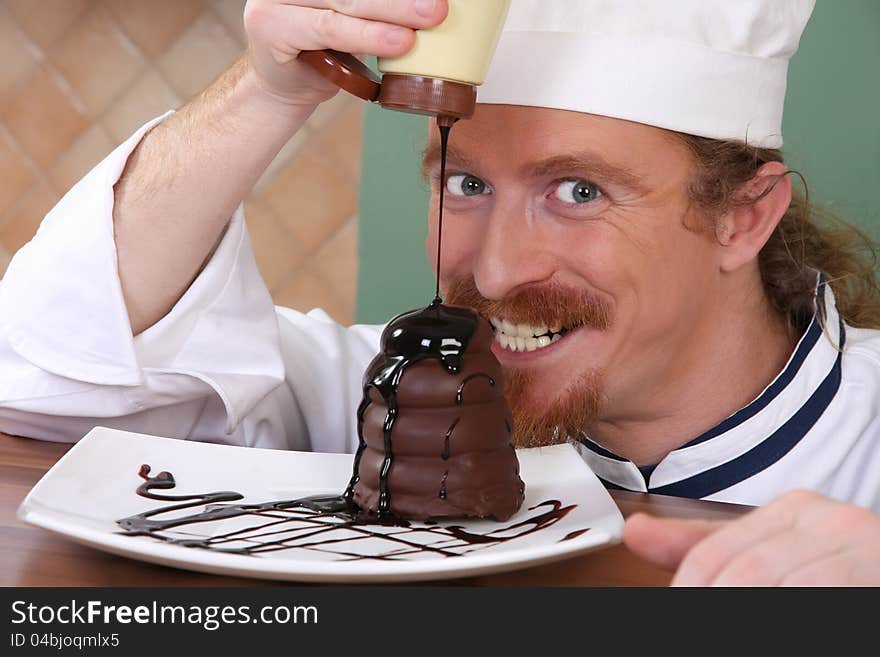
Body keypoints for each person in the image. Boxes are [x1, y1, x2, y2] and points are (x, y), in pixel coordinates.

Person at [0, 0, 878, 585]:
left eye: (579, 191)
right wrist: (267, 89)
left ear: (741, 218)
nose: (493, 276)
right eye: (466, 186)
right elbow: (52, 387)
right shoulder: (385, 398)